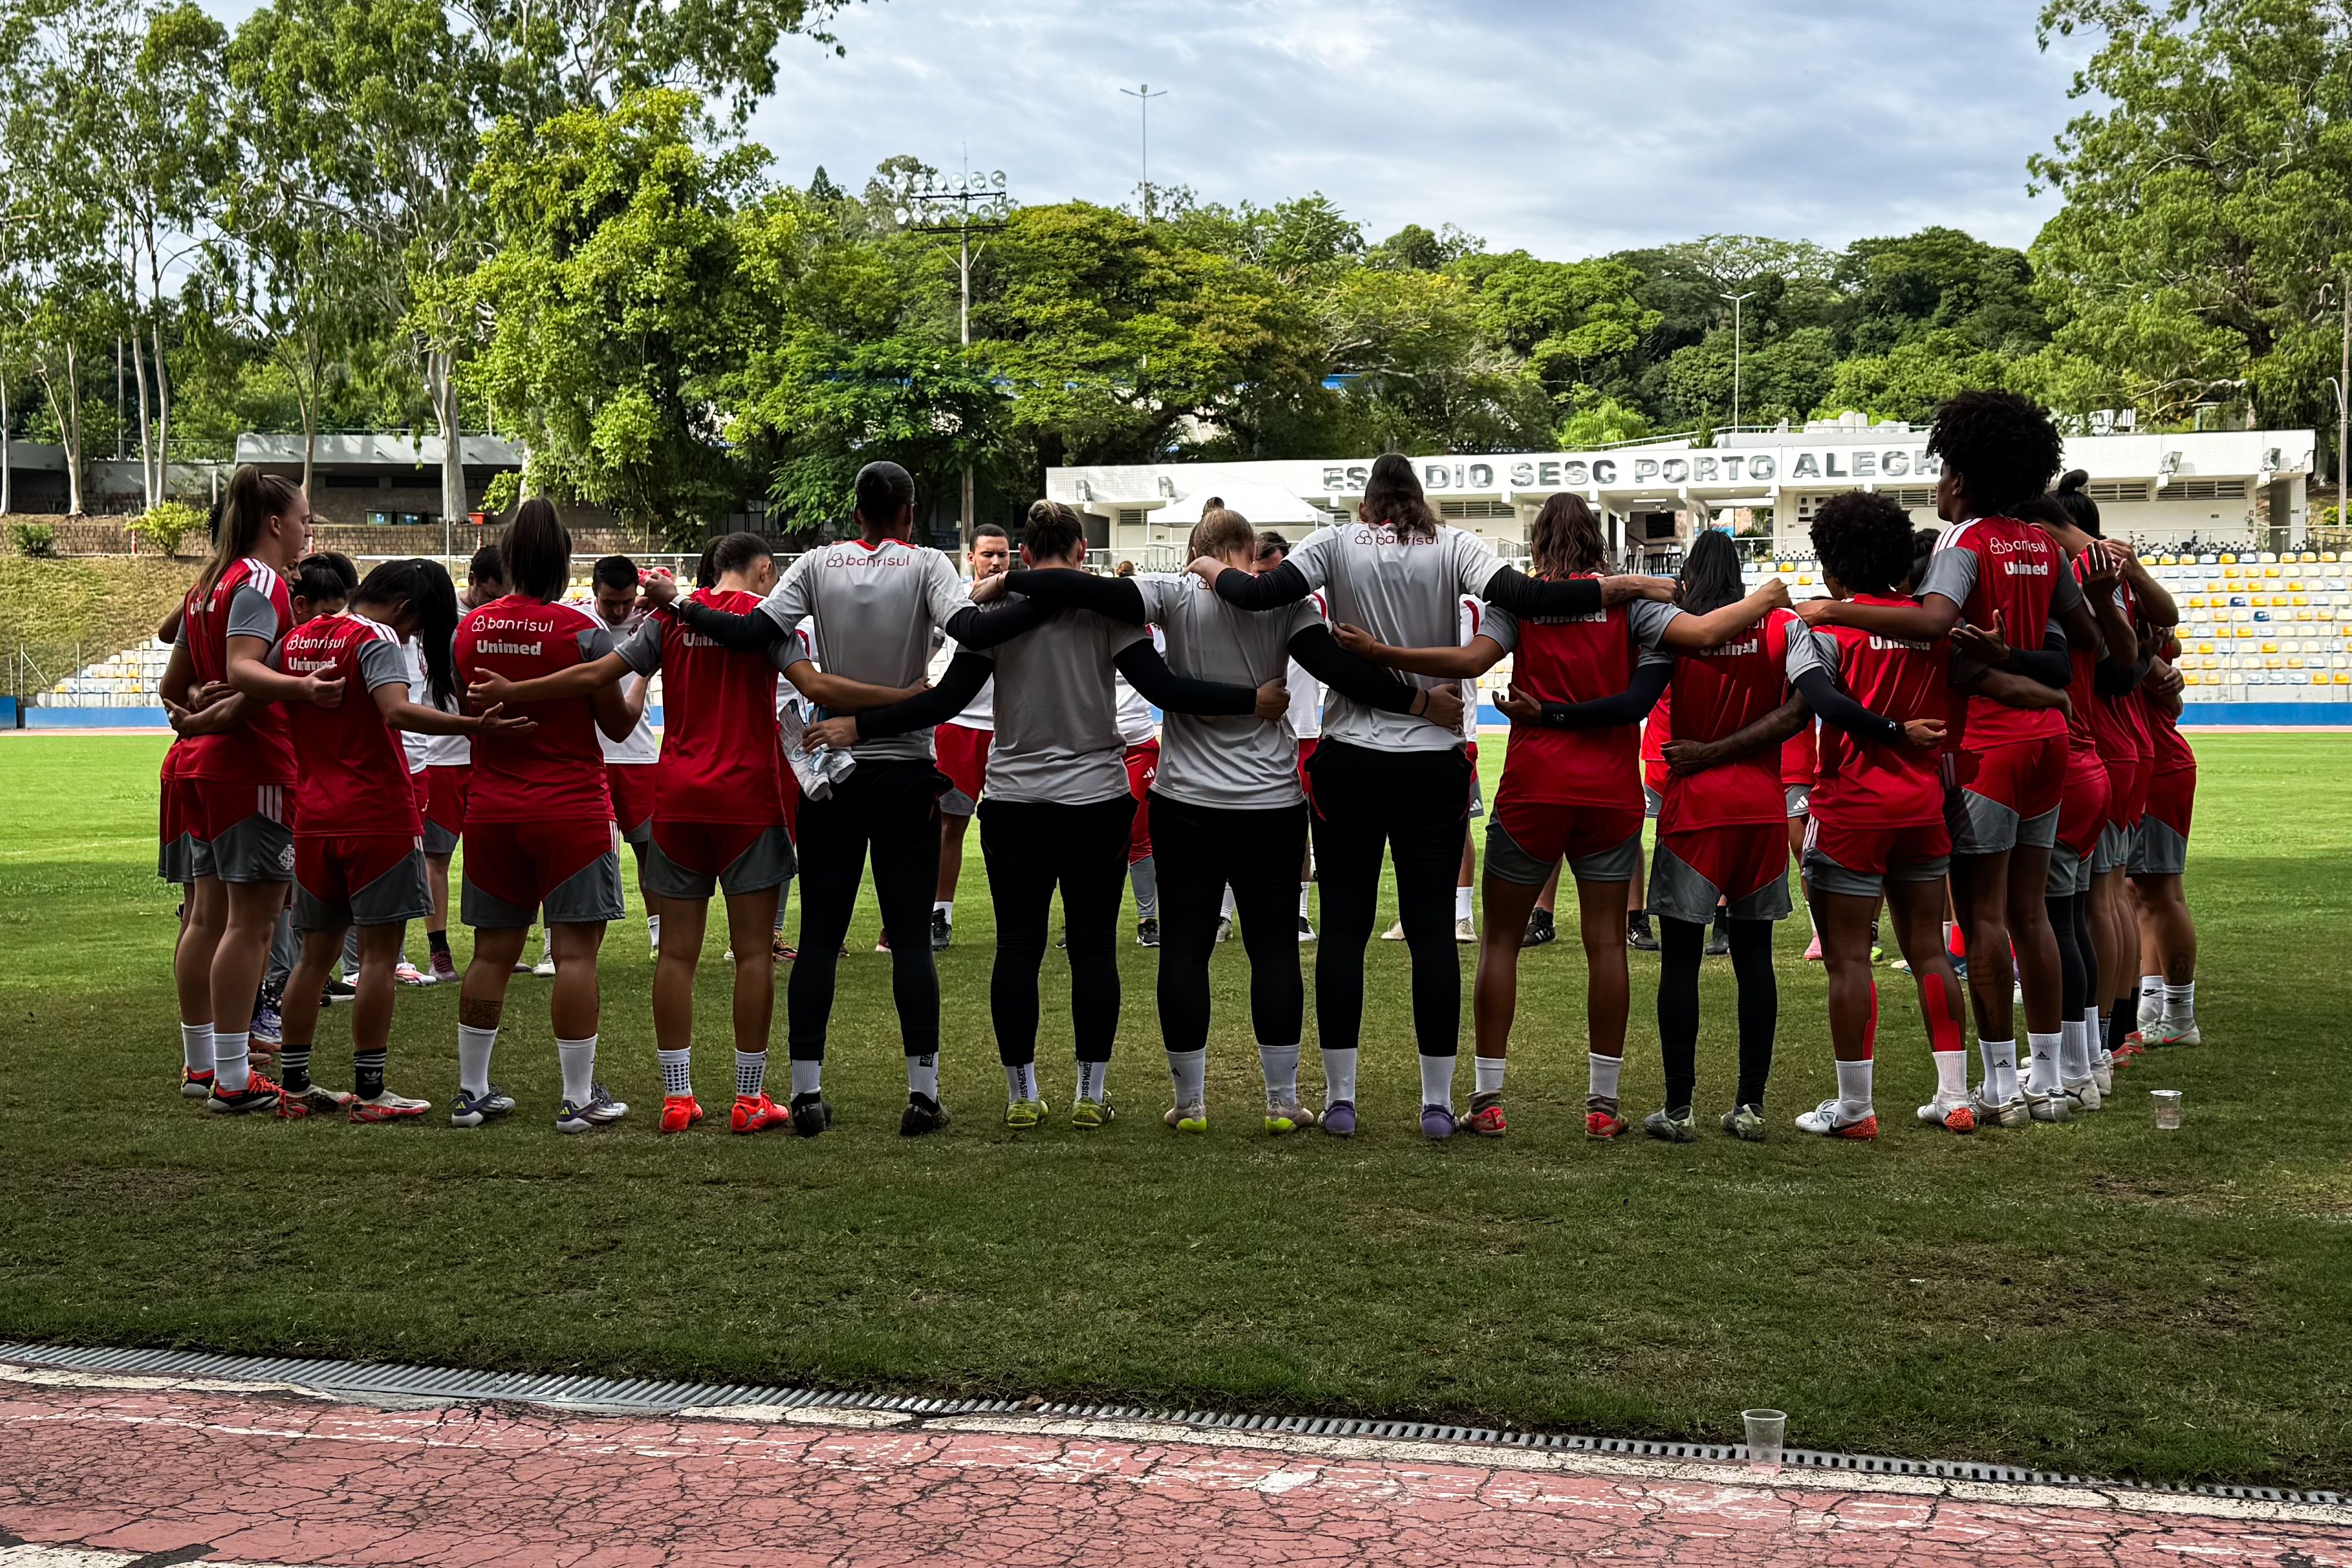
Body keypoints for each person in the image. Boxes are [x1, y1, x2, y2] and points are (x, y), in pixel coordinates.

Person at [1193, 453, 1674, 1139]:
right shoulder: (1455, 545)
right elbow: (1532, 597)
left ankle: (1341, 1099)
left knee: (1345, 931)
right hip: (1433, 760)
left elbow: (1257, 596)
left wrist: (1211, 568)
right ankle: (1438, 1103)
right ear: (1418, 499)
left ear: (1366, 506)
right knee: (1431, 934)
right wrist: (1623, 586)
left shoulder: (1334, 542)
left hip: (1351, 756)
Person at [990, 504, 1459, 1135]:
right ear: (1241, 549)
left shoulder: (1172, 594)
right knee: (1272, 951)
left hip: (1184, 799)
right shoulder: (1285, 606)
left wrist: (1006, 579)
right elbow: (1339, 669)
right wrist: (1419, 700)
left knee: (1185, 948)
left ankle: (1190, 1102)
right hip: (1268, 801)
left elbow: (1078, 586)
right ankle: (1280, 1100)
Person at [815, 500, 1282, 1130]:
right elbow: (1166, 691)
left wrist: (859, 726)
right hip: (1094, 798)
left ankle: (1021, 1095)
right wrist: (1250, 700)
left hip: (1014, 800)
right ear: (1082, 553)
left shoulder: (996, 614)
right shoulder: (1104, 614)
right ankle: (1089, 1093)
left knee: (1018, 949)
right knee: (1093, 951)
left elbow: (944, 700)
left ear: (1026, 556)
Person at [1335, 494, 1787, 1138]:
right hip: (1608, 795)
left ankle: (1488, 1100)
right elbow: (1710, 633)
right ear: (1597, 543)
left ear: (1538, 542)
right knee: (1607, 945)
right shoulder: (1628, 604)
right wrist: (1768, 596)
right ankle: (1602, 1107)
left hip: (1533, 789)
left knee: (1500, 942)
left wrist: (1381, 653)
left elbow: (1469, 663)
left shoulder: (1520, 601)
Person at [644, 462, 1057, 1136]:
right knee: (911, 942)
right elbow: (975, 633)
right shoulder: (926, 564)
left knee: (817, 940)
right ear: (909, 510)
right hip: (902, 770)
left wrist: (680, 603)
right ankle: (922, 1095)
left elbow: (752, 634)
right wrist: (1036, 590)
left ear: (857, 512)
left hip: (830, 771)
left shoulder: (813, 562)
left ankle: (805, 1094)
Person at [471, 533, 865, 1135]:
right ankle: (749, 1097)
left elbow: (592, 675)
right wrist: (910, 699)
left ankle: (677, 1097)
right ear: (763, 570)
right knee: (755, 952)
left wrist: (512, 692)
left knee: (677, 954)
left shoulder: (668, 619)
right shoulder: (770, 618)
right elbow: (814, 688)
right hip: (747, 803)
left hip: (678, 800)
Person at [1796, 391, 2102, 1129]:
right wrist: (2037, 683)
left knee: (1987, 917)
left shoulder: (1961, 540)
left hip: (1985, 751)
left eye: (1941, 473)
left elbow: (1934, 623)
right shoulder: (2041, 543)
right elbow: (2080, 641)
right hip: (2046, 743)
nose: (1936, 487)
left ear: (1961, 478)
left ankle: (1997, 1085)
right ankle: (2061, 1080)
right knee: (2036, 914)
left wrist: (1833, 611)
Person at [274, 559, 531, 1122]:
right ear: (406, 609)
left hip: (314, 816)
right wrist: (475, 726)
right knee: (379, 958)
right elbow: (395, 711)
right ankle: (370, 1092)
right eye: (418, 629)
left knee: (313, 958)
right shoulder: (379, 636)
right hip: (377, 815)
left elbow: (256, 688)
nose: (412, 639)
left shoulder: (298, 638)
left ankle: (294, 1086)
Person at [448, 499, 639, 1134]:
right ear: (562, 560)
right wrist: (641, 677)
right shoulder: (581, 631)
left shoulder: (468, 630)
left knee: (492, 951)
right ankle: (577, 1097)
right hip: (570, 807)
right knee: (576, 954)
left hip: (493, 809)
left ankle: (472, 1091)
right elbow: (616, 724)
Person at [158, 467, 329, 1114]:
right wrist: (303, 689)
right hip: (250, 769)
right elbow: (243, 673)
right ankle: (233, 1077)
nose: (310, 530)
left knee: (204, 916)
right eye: (305, 519)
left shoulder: (207, 585)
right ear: (275, 524)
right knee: (252, 923)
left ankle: (203, 1063)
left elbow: (178, 686)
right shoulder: (258, 580)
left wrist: (198, 701)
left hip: (202, 767)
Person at [419, 544, 508, 985]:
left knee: (488, 852)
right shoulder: (440, 613)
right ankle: (438, 951)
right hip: (440, 756)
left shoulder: (504, 620)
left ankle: (489, 949)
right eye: (491, 594)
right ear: (472, 579)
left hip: (482, 753)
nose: (496, 604)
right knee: (437, 856)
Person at [933, 524, 1012, 950]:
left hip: (1009, 728)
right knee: (950, 825)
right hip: (960, 726)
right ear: (971, 557)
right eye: (988, 555)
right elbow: (925, 644)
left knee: (1012, 830)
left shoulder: (1022, 601)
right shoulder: (954, 601)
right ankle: (938, 915)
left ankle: (1019, 917)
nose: (996, 561)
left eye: (1003, 554)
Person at [587, 555, 662, 961]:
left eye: (626, 601)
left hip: (638, 756)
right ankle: (556, 945)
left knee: (649, 850)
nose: (618, 610)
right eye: (610, 602)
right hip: (588, 757)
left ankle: (659, 937)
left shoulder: (651, 621)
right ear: (593, 593)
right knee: (583, 853)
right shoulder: (578, 623)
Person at [2130, 632, 2199, 1047]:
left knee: (2161, 893)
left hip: (2157, 768)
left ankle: (2179, 1016)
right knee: (2138, 892)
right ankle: (2154, 1006)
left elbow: (2172, 698)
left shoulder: (2129, 639)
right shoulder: (2147, 645)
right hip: (2151, 764)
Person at [1255, 530, 1323, 941]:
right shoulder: (1240, 606)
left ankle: (1298, 912)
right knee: (1240, 824)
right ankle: (1225, 912)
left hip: (1303, 734)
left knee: (1301, 831)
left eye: (1276, 573)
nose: (1269, 583)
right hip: (1254, 731)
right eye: (1261, 574)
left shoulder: (1309, 607)